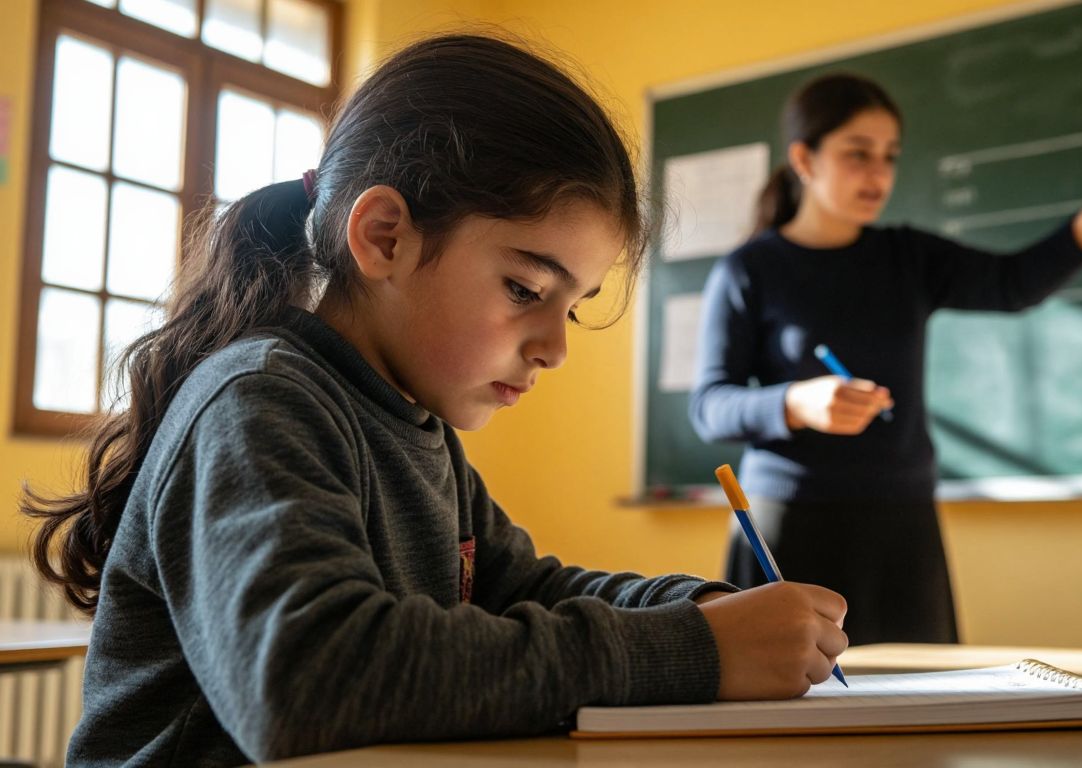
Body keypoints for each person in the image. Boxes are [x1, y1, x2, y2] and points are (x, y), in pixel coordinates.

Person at [21, 34, 848, 766]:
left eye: (573, 305)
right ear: (384, 235)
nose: (555, 348)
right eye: (525, 287)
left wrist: (700, 608)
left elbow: (527, 590)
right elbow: (309, 678)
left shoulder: (412, 421)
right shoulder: (261, 400)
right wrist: (693, 651)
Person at [689, 72, 1082, 646]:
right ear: (805, 160)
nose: (878, 173)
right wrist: (794, 402)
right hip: (791, 521)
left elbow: (1014, 284)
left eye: (889, 156)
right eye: (858, 154)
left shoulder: (908, 256)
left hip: (902, 520)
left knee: (922, 708)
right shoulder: (749, 269)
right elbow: (710, 406)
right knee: (786, 709)